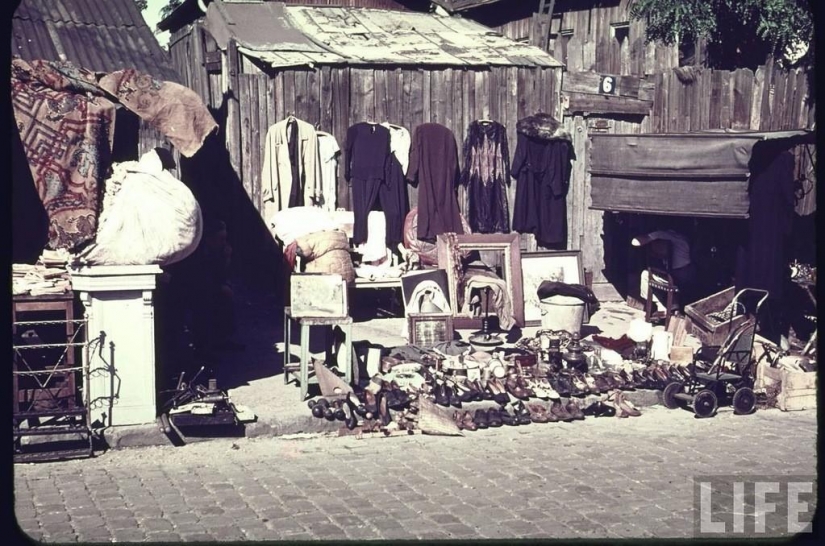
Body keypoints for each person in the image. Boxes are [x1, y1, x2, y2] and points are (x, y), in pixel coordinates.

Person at [632, 229, 697, 313]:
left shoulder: (663, 234)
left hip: (676, 276)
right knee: (666, 276)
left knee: (645, 275)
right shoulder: (683, 237)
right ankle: (674, 306)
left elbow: (635, 242)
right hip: (690, 274)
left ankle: (661, 306)